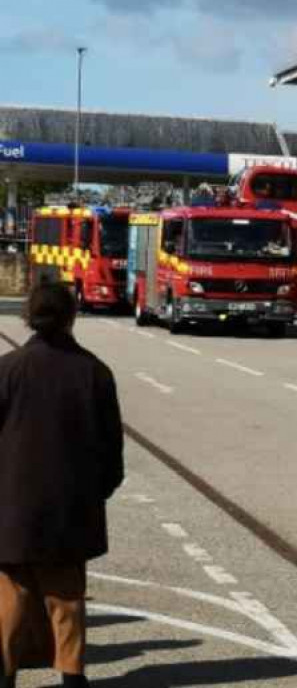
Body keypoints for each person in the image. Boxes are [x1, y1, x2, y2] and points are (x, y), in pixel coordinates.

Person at [0, 284, 125, 688]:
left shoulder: (8, 368)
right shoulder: (94, 371)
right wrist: (94, 493)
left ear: (28, 317)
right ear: (71, 317)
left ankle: (5, 674)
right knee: (66, 597)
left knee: (12, 596)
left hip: (11, 506)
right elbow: (111, 453)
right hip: (71, 505)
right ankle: (71, 678)